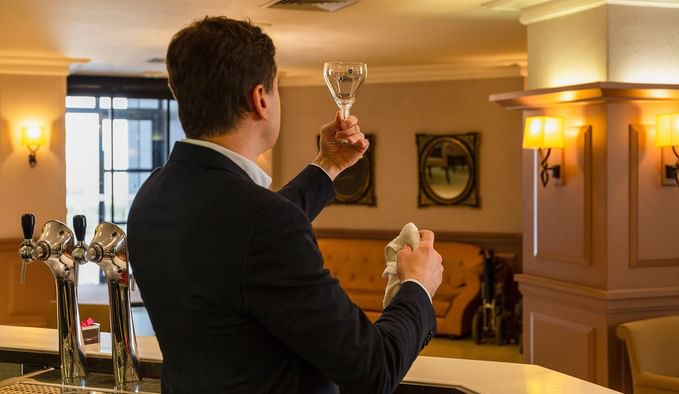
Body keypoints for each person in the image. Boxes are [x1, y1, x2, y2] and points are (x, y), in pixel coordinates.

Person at [127, 16, 444, 394]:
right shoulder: (261, 222)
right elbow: (373, 370)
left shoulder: (152, 195)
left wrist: (327, 166)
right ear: (260, 99)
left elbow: (237, 236)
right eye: (277, 90)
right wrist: (416, 287)